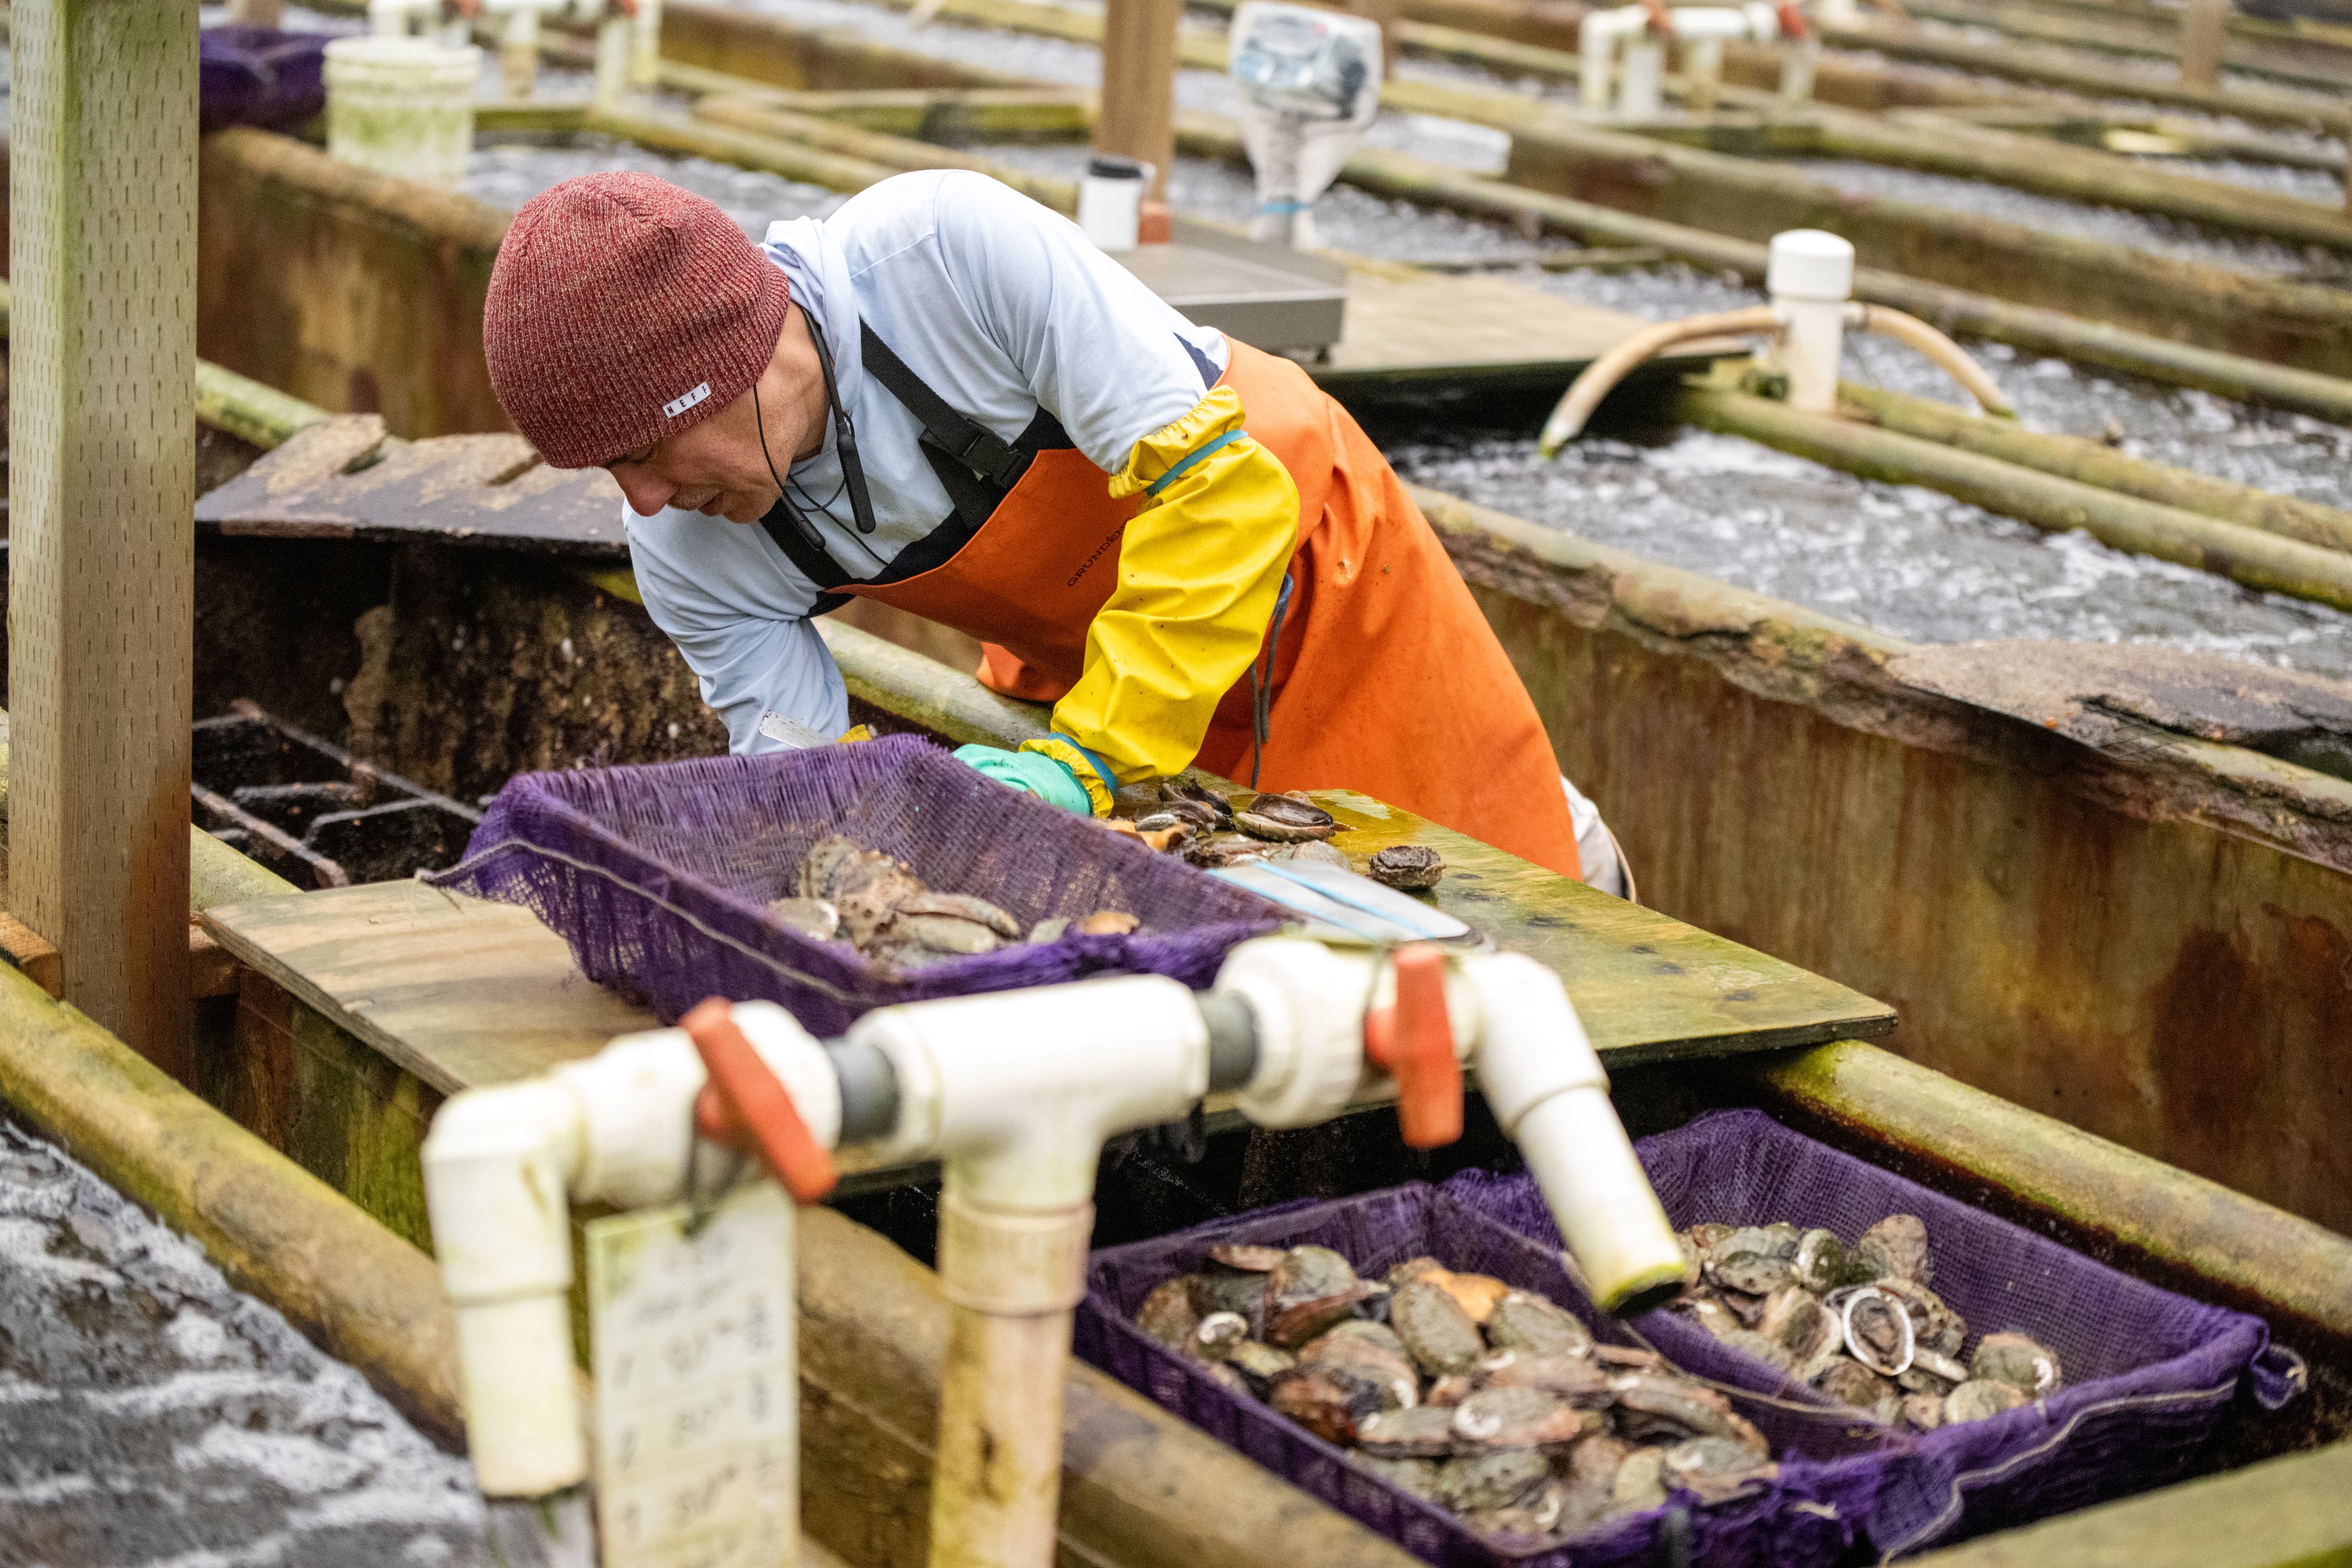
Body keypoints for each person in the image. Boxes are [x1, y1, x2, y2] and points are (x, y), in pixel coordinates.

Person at [480, 168, 1629, 892]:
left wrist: (1086, 762)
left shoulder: (947, 256)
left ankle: (1583, 849)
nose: (640, 502)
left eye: (642, 452)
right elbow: (807, 779)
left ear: (729, 366)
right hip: (1094, 663)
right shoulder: (687, 541)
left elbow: (1223, 503)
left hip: (1309, 579)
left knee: (1489, 879)